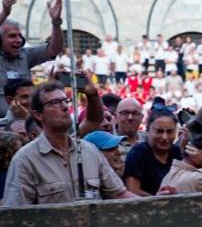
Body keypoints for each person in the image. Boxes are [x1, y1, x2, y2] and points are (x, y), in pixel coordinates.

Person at [2, 81, 134, 205]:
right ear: (38, 115)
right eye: (55, 102)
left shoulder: (90, 151)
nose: (65, 107)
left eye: (66, 101)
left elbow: (118, 194)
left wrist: (152, 204)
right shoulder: (25, 160)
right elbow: (16, 214)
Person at [0, 0, 64, 117]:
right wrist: (3, 14)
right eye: (12, 36)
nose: (18, 40)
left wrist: (56, 23)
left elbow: (54, 49)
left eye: (20, 36)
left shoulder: (25, 55)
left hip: (25, 124)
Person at [123, 108, 183, 196]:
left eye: (169, 132)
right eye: (159, 131)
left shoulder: (176, 151)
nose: (165, 137)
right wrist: (156, 198)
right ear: (148, 131)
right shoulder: (138, 153)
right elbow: (132, 190)